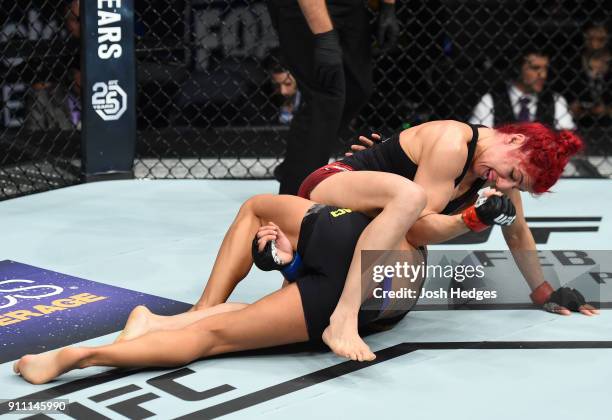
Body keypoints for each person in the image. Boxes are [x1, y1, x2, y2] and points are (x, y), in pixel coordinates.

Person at [222, 119, 590, 362]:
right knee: (406, 219)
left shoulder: (495, 172)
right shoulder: (454, 144)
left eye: (516, 184)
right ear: (514, 139)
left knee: (301, 305)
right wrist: (471, 220)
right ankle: (343, 316)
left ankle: (263, 288)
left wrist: (543, 291)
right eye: (512, 175)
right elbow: (416, 228)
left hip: (367, 220)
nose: (505, 185)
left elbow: (517, 230)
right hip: (333, 185)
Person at [14, 194, 426, 384]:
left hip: (338, 231)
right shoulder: (416, 234)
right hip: (372, 292)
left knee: (249, 314)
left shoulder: (393, 192)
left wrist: (296, 262)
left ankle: (157, 321)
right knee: (213, 339)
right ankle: (86, 356)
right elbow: (430, 222)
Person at [267, 0, 400, 194]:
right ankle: (293, 196)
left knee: (357, 89)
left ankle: (298, 165)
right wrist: (324, 38)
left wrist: (388, 6)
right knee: (325, 95)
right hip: (302, 7)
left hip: (348, 6)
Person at [469, 49, 575, 130]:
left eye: (545, 68)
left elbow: (568, 139)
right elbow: (478, 141)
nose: (543, 75)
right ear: (518, 68)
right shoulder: (490, 101)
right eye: (535, 68)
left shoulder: (555, 100)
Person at [264, 51, 301, 125]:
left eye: (288, 84)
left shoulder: (311, 100)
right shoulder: (262, 99)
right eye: (276, 85)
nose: (282, 91)